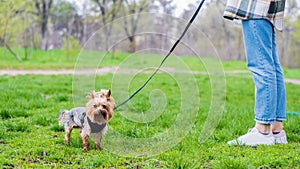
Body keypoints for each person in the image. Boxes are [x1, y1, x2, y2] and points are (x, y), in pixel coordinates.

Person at [223, 0, 288, 146]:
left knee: (261, 65)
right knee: (272, 66)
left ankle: (263, 130)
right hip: (267, 9)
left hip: (256, 8)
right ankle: (276, 130)